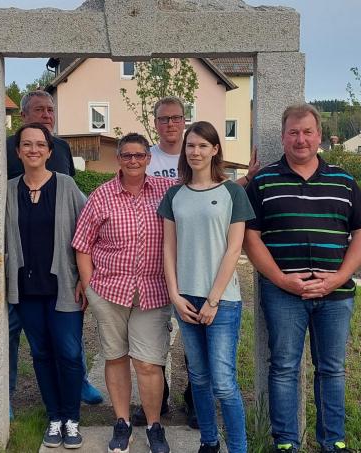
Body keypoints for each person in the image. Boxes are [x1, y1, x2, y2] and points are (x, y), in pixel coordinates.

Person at [243, 103, 361, 453]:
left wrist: (339, 277)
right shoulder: (263, 181)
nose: (300, 139)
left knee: (332, 369)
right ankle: (285, 442)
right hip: (283, 293)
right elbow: (249, 237)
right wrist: (280, 279)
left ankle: (333, 441)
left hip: (336, 294)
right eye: (293, 132)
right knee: (284, 367)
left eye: (307, 132)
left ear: (319, 135)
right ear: (283, 136)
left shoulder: (343, 180)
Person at [72, 133, 176, 453]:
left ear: (148, 158)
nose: (133, 160)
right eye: (127, 155)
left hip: (153, 292)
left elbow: (206, 190)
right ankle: (121, 423)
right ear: (118, 159)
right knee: (115, 358)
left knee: (148, 363)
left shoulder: (166, 192)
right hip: (109, 291)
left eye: (140, 155)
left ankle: (154, 425)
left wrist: (244, 180)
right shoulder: (101, 196)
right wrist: (90, 287)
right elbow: (83, 244)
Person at [158, 121, 254, 453]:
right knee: (198, 378)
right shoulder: (175, 194)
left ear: (215, 150)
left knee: (224, 384)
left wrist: (213, 300)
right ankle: (209, 441)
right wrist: (174, 293)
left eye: (203, 145)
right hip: (185, 299)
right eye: (190, 146)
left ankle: (238, 447)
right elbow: (168, 248)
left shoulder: (232, 192)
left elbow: (234, 249)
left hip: (222, 301)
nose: (196, 152)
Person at [5, 90, 103, 410]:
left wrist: (84, 272)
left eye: (51, 110)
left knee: (69, 342)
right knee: (18, 337)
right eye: (39, 110)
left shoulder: (61, 148)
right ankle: (4, 393)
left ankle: (80, 383)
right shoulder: (6, 149)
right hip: (21, 266)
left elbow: (76, 213)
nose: (47, 115)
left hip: (58, 266)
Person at [5, 122, 87, 449]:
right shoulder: (8, 190)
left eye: (40, 144)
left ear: (50, 151)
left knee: (68, 353)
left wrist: (84, 277)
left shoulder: (66, 186)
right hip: (26, 291)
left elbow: (88, 232)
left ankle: (71, 418)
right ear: (18, 151)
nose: (34, 149)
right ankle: (54, 417)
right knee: (40, 353)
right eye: (27, 144)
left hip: (63, 287)